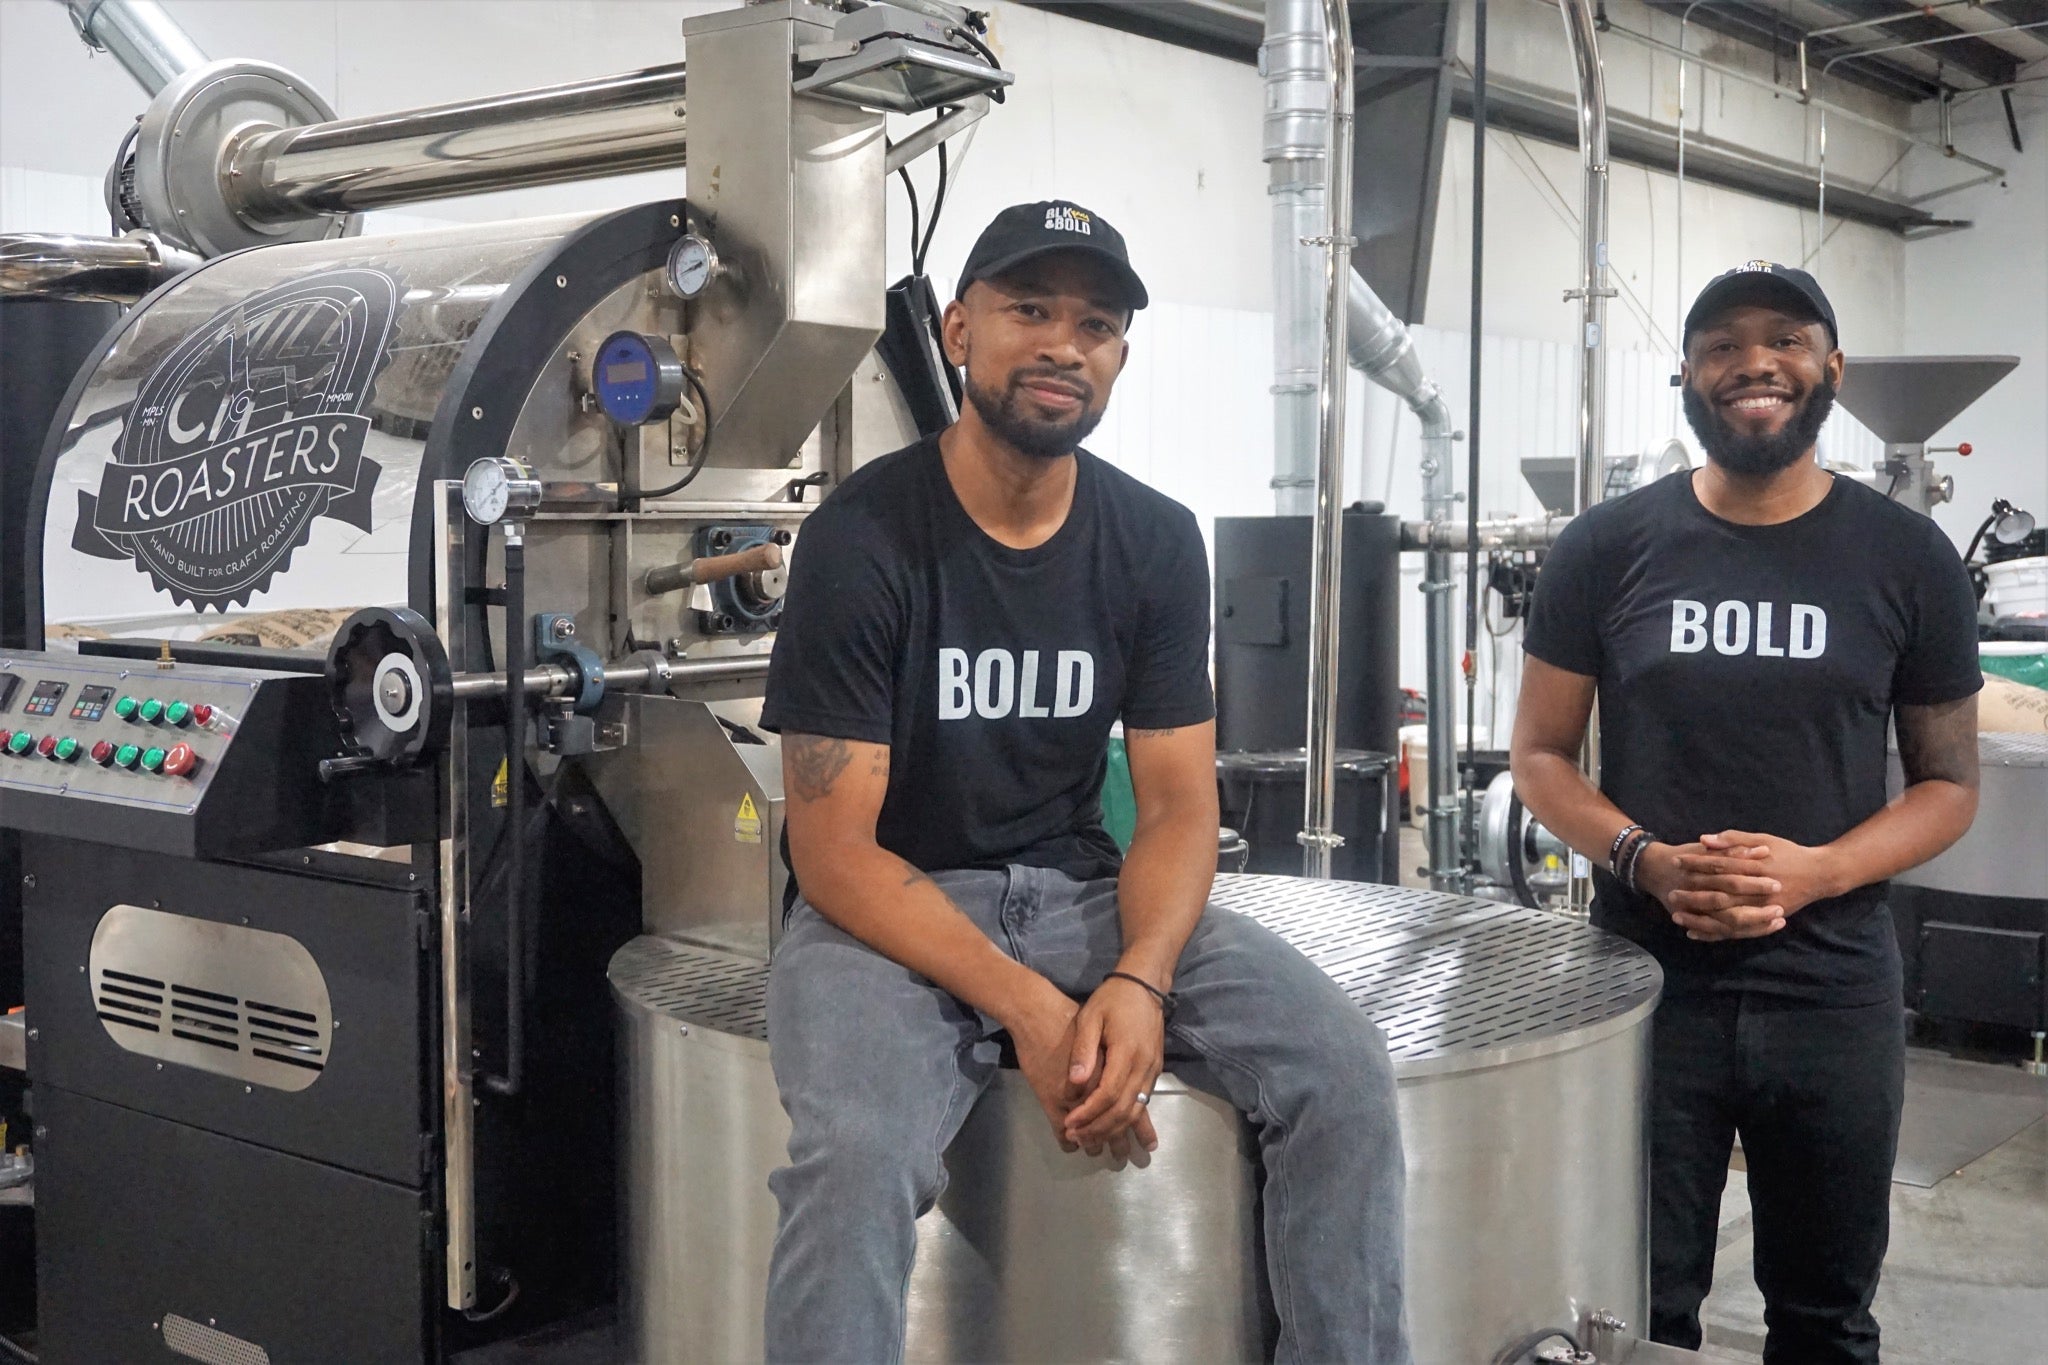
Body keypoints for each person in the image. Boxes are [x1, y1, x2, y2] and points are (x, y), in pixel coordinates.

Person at [758, 200, 1412, 1364]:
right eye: (1028, 310)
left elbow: (1175, 805)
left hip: (1078, 890)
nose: (1065, 343)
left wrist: (1140, 979)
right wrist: (1031, 1002)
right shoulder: (862, 539)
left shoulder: (1152, 540)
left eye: (1097, 324)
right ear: (958, 331)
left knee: (1343, 1075)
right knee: (855, 1158)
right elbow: (836, 852)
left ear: (1117, 357)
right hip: (885, 910)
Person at [1511, 262, 1982, 1364]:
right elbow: (1537, 754)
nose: (1752, 362)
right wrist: (1643, 861)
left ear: (1829, 368)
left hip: (1830, 990)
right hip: (1641, 986)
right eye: (1721, 344)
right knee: (1636, 1305)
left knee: (1823, 1312)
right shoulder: (1603, 547)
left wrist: (1813, 872)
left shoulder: (1906, 557)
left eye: (1783, 338)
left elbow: (1947, 784)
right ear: (1685, 373)